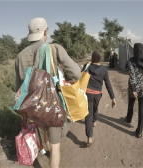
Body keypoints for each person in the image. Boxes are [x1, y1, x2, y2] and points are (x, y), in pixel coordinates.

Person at [15, 18, 81, 168]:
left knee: (43, 128)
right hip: (51, 105)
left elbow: (19, 87)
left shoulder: (20, 57)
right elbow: (76, 74)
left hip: (31, 107)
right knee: (56, 146)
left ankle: (47, 149)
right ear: (45, 32)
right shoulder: (54, 48)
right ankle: (52, 157)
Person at [82, 50, 116, 147]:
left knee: (88, 114)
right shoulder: (104, 69)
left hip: (87, 93)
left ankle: (89, 138)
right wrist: (113, 98)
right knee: (95, 108)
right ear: (101, 58)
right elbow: (108, 85)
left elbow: (81, 78)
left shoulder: (87, 66)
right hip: (97, 94)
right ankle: (94, 121)